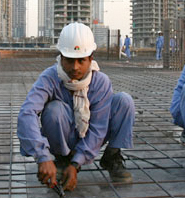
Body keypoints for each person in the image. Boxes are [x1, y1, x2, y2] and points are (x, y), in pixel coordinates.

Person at [18, 23, 135, 192]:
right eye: (69, 60)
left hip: (91, 137)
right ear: (61, 57)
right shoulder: (50, 78)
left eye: (81, 61)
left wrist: (76, 163)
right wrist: (42, 156)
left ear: (91, 58)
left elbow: (98, 128)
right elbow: (27, 113)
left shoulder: (100, 82)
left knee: (124, 101)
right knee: (54, 110)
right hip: (64, 135)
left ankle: (112, 156)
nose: (75, 67)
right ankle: (61, 158)